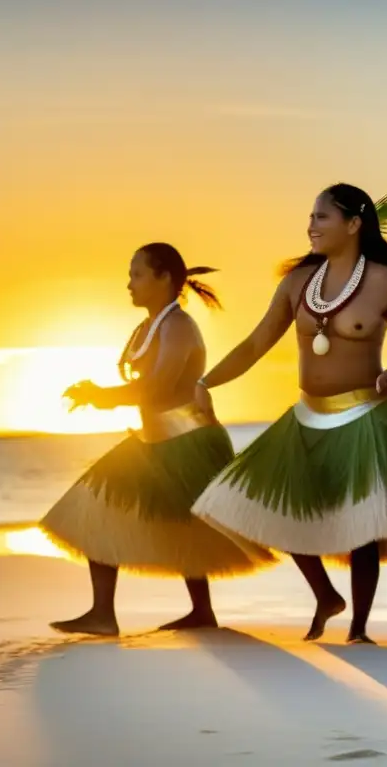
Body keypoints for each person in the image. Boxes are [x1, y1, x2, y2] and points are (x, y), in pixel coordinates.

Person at [191, 183, 387, 644]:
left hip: (365, 415)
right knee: (273, 507)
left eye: (322, 217)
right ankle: (326, 595)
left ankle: (360, 628)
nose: (311, 225)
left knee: (364, 527)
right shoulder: (296, 284)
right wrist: (205, 382)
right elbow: (253, 344)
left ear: (353, 225)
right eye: (310, 216)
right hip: (306, 417)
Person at [40, 243, 278, 636]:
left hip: (189, 443)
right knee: (97, 509)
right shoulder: (147, 328)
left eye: (137, 274)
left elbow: (158, 386)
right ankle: (104, 614)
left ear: (164, 278)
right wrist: (100, 395)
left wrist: (102, 396)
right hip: (152, 444)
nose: (129, 283)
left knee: (192, 526)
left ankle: (205, 610)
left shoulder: (179, 327)